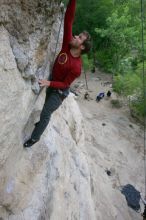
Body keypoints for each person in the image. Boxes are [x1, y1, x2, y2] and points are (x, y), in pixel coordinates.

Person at [24, 0, 91, 148]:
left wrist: (49, 83)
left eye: (79, 38)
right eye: (77, 35)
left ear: (82, 47)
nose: (75, 36)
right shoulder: (67, 44)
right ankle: (41, 123)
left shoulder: (77, 67)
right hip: (53, 83)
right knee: (44, 113)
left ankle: (35, 138)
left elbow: (66, 84)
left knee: (46, 113)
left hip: (59, 93)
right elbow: (68, 19)